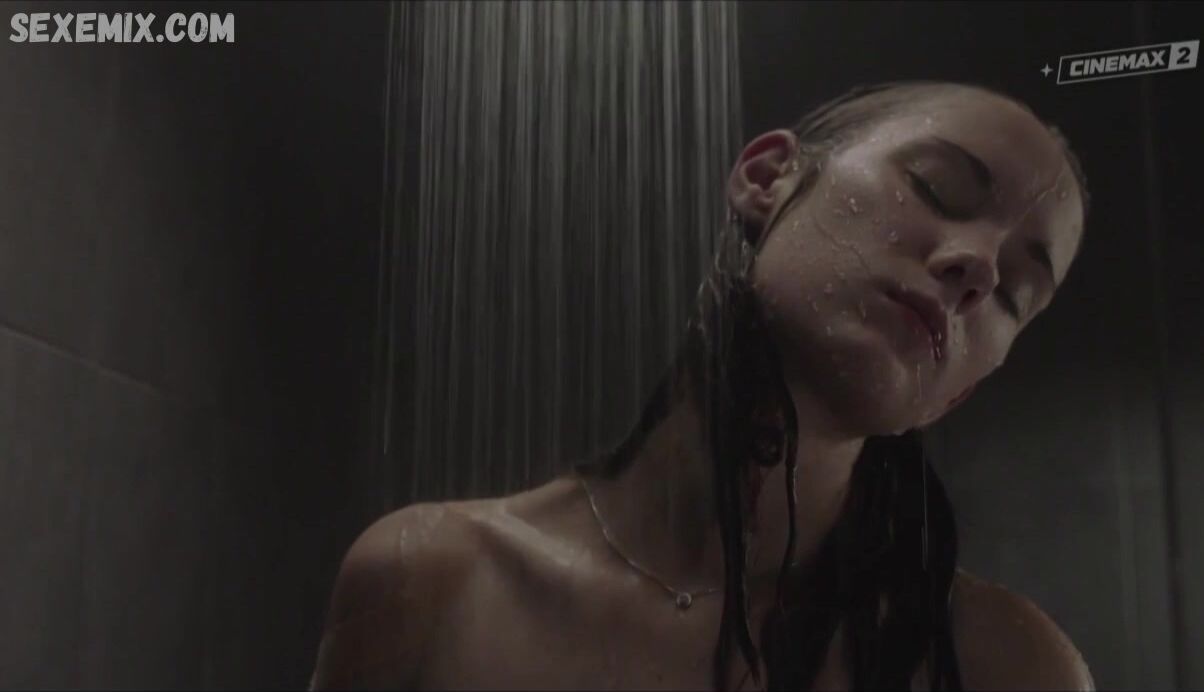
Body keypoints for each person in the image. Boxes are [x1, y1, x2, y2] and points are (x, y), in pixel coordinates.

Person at [309, 80, 1094, 691]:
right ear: (768, 177)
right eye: (936, 188)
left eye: (1014, 295)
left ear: (958, 392)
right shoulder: (435, 580)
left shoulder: (1008, 667)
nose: (978, 269)